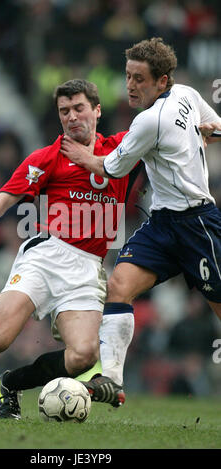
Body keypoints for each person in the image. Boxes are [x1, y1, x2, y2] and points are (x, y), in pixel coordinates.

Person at [0, 79, 140, 419]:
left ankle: (9, 384)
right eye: (64, 111)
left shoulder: (122, 148)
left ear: (97, 110)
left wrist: (202, 128)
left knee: (83, 355)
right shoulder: (47, 158)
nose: (72, 117)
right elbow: (2, 201)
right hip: (45, 256)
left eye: (79, 108)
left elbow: (164, 131)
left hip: (86, 269)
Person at [61, 38, 221, 387]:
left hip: (198, 223)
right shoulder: (189, 96)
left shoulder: (150, 121)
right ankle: (112, 382)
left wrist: (81, 156)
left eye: (140, 79)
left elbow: (113, 169)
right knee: (118, 286)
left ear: (163, 81)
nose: (130, 86)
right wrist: (210, 133)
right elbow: (217, 126)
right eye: (128, 76)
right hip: (162, 223)